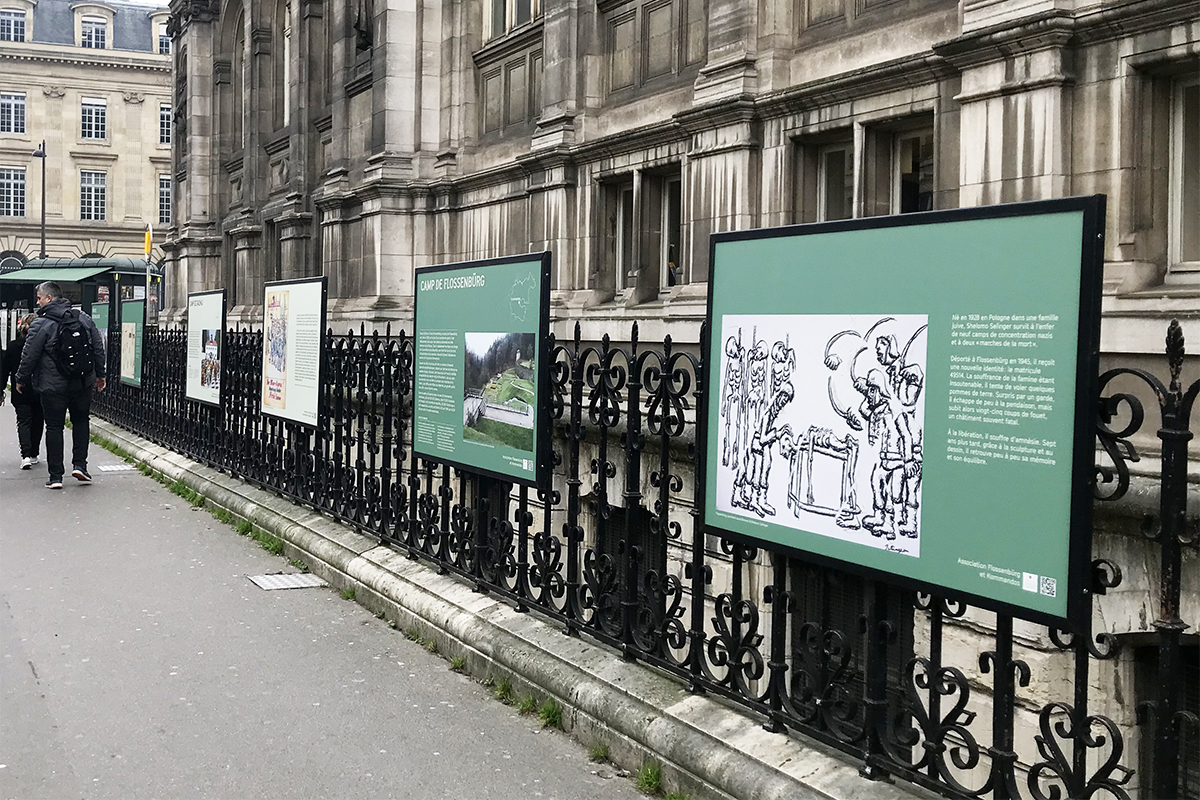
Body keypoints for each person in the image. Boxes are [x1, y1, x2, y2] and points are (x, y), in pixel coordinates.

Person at [14, 281, 107, 489]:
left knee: (54, 427)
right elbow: (97, 347)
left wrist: (21, 379)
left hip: (52, 386)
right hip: (82, 382)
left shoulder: (40, 324)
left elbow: (29, 355)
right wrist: (100, 374)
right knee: (81, 421)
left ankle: (56, 476)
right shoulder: (83, 318)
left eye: (39, 298)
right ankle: (80, 465)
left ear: (49, 298)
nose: (37, 302)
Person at [0, 314, 44, 469]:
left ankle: (25, 455)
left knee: (23, 421)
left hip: (20, 389)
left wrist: (1, 390)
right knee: (38, 420)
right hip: (39, 387)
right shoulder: (43, 346)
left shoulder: (13, 346)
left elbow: (4, 370)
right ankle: (34, 453)